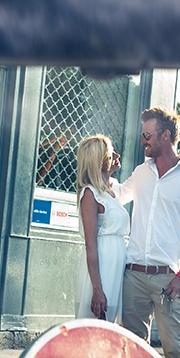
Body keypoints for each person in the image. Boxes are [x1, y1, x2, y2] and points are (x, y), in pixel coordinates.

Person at [114, 107, 180, 358]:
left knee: (175, 350)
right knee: (132, 349)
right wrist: (101, 170)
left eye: (147, 135)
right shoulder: (141, 172)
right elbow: (119, 195)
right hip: (133, 274)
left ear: (166, 136)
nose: (142, 141)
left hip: (168, 278)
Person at [74, 135, 128, 323]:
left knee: (110, 329)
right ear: (101, 158)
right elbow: (91, 245)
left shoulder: (111, 192)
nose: (117, 154)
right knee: (95, 330)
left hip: (115, 268)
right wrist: (97, 289)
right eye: (112, 151)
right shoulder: (90, 194)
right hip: (101, 270)